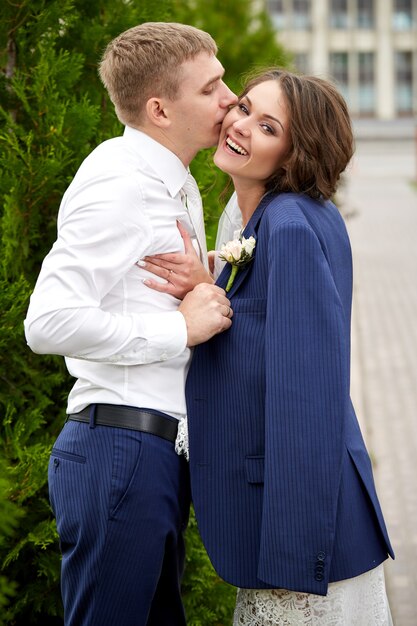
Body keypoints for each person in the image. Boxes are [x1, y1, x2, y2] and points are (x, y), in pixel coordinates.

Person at [143, 68, 395, 625]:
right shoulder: (271, 218)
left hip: (301, 541)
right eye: (244, 107)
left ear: (293, 153)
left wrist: (291, 554)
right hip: (292, 526)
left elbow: (306, 396)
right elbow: (260, 336)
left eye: (267, 125)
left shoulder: (288, 228)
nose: (239, 125)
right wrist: (210, 284)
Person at [24, 22, 236, 626]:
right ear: (160, 109)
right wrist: (180, 331)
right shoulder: (121, 183)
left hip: (152, 455)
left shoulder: (171, 181)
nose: (229, 99)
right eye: (211, 87)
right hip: (121, 451)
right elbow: (48, 321)